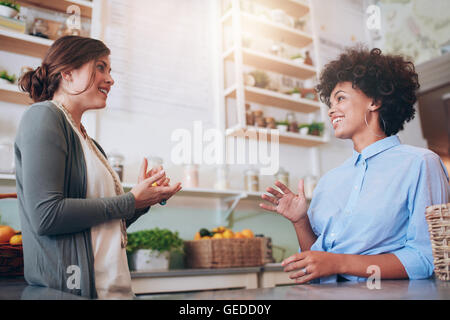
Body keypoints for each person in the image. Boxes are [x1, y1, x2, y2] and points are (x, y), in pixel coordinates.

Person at [260, 46, 450, 284]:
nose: (331, 110)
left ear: (375, 101)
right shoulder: (329, 181)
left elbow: (425, 258)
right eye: (330, 102)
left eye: (340, 98)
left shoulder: (420, 164)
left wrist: (339, 262)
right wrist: (300, 222)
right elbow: (318, 264)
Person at [15, 35, 182, 299]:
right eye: (100, 67)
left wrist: (144, 199)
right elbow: (46, 215)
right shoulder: (44, 116)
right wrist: (129, 200)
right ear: (67, 73)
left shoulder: (90, 144)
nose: (110, 79)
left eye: (109, 70)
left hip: (113, 290)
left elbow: (104, 223)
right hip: (73, 291)